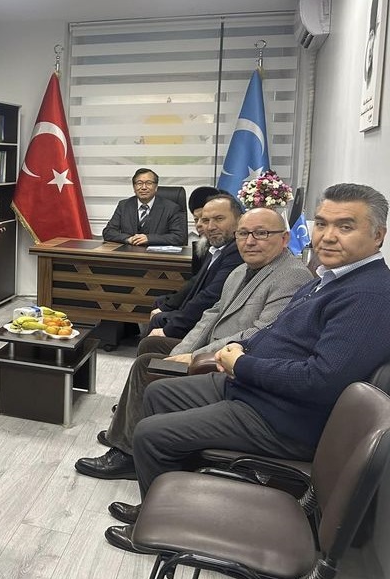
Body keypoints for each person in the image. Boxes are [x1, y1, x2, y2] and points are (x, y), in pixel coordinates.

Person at [105, 183, 390, 554]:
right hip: (257, 389)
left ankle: (164, 528)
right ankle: (167, 503)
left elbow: (320, 381)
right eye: (321, 224)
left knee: (151, 433)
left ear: (378, 235)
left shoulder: (369, 296)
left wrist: (242, 364)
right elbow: (274, 330)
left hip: (280, 417)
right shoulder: (331, 278)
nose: (328, 236)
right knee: (160, 392)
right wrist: (243, 349)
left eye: (346, 226)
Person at [75, 207, 312, 480]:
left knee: (145, 365)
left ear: (284, 238)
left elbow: (259, 334)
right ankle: (124, 432)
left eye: (261, 233)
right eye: (243, 233)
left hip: (230, 362)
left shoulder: (292, 276)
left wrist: (196, 356)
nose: (250, 241)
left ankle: (127, 455)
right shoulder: (241, 270)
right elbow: (212, 315)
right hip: (212, 347)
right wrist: (183, 351)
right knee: (150, 347)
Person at [146, 194, 244, 340]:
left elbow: (211, 297)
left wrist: (170, 328)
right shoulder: (217, 247)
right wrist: (168, 307)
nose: (210, 227)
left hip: (212, 326)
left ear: (239, 220)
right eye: (205, 220)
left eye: (219, 219)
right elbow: (196, 282)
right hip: (201, 316)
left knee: (158, 321)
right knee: (160, 303)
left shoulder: (237, 250)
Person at [103, 168, 188, 246]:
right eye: (139, 183)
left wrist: (149, 239)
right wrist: (128, 239)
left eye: (149, 183)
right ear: (134, 187)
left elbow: (179, 237)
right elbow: (108, 232)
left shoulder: (171, 208)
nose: (143, 187)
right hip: (128, 254)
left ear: (156, 187)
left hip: (157, 255)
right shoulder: (124, 205)